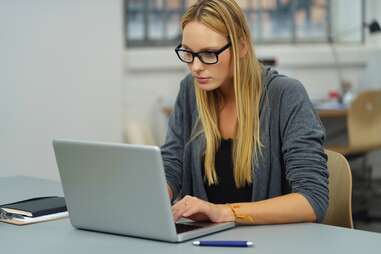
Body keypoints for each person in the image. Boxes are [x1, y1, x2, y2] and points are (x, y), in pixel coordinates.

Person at [161, 0, 328, 225]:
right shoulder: (190, 91)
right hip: (205, 242)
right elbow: (172, 164)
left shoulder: (286, 95)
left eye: (209, 53)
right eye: (188, 53)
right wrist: (156, 193)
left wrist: (224, 212)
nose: (196, 67)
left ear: (241, 46)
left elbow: (312, 200)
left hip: (273, 243)